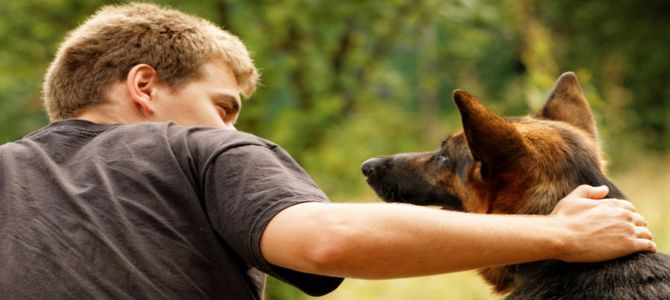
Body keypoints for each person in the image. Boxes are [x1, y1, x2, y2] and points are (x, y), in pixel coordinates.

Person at [0, 2, 655, 299]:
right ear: (145, 86)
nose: (228, 129)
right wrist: (560, 237)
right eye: (223, 106)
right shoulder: (201, 150)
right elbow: (328, 241)